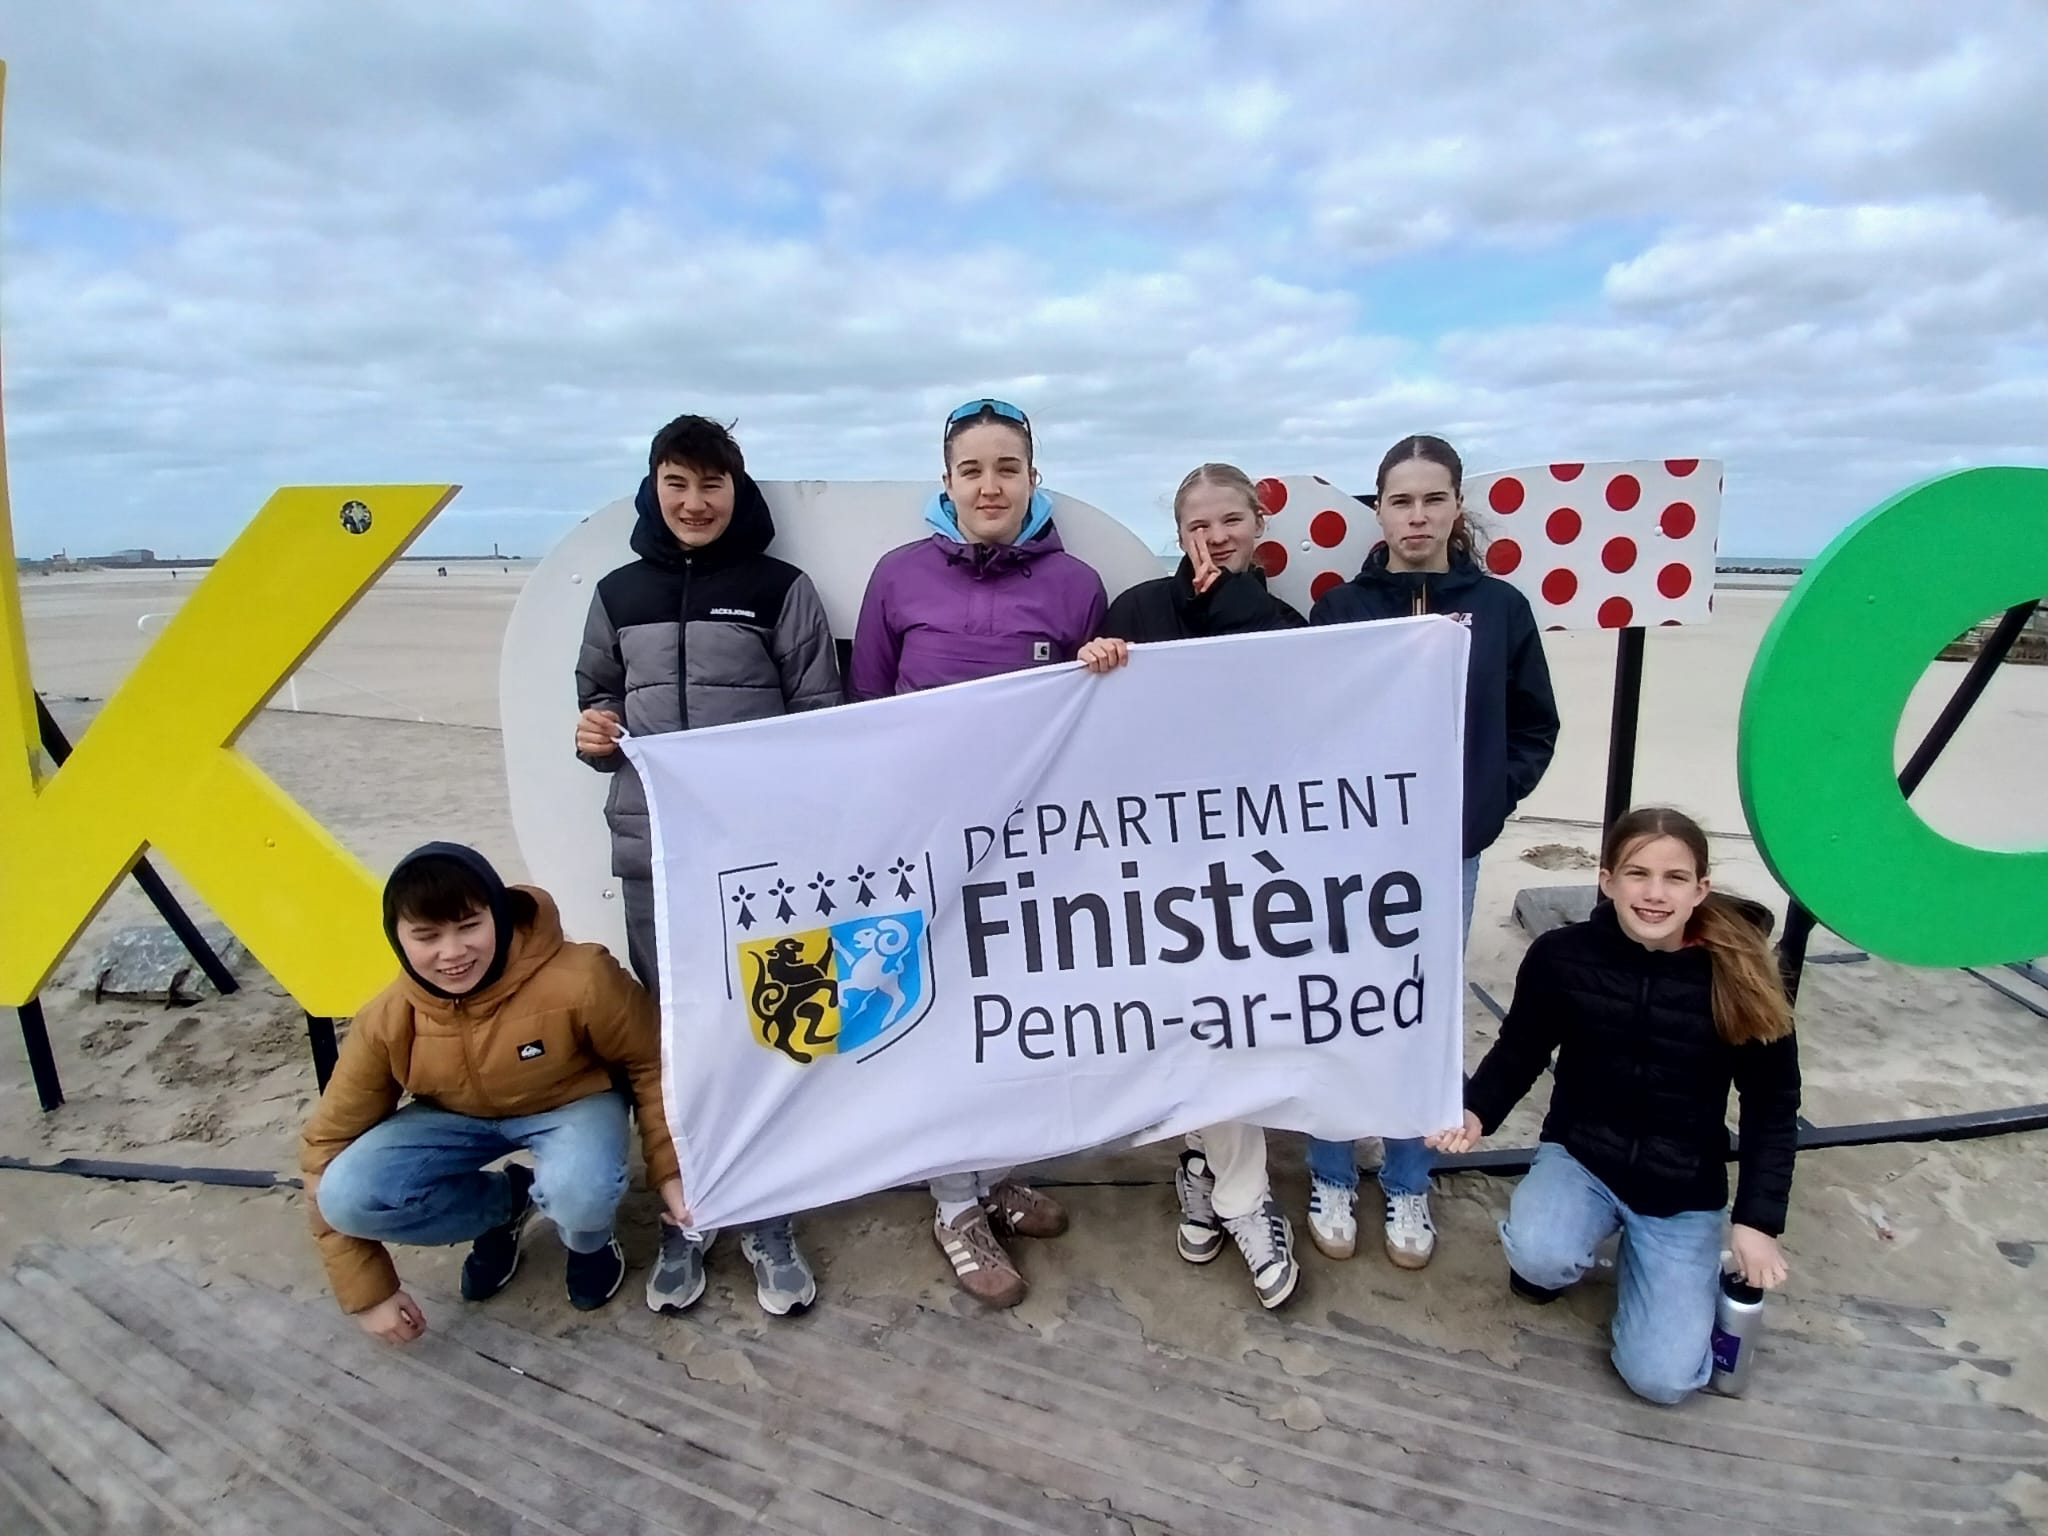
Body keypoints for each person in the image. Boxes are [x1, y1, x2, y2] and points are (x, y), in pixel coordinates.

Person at [573, 413, 841, 1318]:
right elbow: (598, 701)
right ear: (653, 488)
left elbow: (820, 717)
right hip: (653, 853)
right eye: (677, 484)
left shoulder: (781, 588)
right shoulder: (617, 594)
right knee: (678, 1037)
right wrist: (594, 736)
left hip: (763, 857)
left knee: (783, 1024)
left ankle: (770, 1211)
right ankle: (688, 1213)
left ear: (737, 490)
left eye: (712, 484)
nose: (694, 502)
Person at [848, 397, 1108, 1308]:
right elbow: (866, 709)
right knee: (937, 1020)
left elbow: (1091, 719)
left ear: (1035, 478)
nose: (990, 486)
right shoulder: (898, 576)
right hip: (924, 845)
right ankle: (954, 1204)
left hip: (1032, 849)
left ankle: (996, 1174)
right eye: (972, 470)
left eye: (1008, 468)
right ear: (947, 482)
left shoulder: (1076, 584)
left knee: (1014, 1016)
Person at [1428, 806, 1799, 1404]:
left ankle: (1654, 1266)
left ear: (1700, 888)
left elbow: (1771, 1108)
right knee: (1539, 1255)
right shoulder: (1560, 956)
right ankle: (1578, 1250)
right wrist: (1475, 1112)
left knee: (1664, 1380)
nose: (1654, 894)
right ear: (1607, 881)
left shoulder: (1742, 974)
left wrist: (1757, 1223)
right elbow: (1521, 1048)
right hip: (1582, 1156)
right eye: (1637, 874)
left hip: (1681, 1188)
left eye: (1675, 878)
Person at [1305, 434, 1560, 1270]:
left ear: (1456, 507)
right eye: (1401, 501)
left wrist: (1487, 798)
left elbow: (1534, 724)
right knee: (1337, 1003)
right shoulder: (1341, 608)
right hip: (1349, 851)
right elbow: (1309, 727)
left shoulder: (1502, 608)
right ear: (1378, 510)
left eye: (1432, 499)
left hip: (1448, 852)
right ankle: (1332, 1170)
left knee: (1422, 1008)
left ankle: (1409, 1176)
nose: (1417, 516)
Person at [302, 844, 685, 1343]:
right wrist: (369, 1291)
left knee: (580, 1190)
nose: (452, 952)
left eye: (469, 926)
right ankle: (506, 1205)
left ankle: (590, 1244)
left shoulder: (582, 978)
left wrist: (671, 1171)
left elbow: (651, 1061)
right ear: (397, 938)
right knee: (346, 1194)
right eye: (427, 936)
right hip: (455, 1116)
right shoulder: (388, 1019)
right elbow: (325, 1148)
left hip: (570, 1101)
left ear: (498, 915)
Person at [1094, 463, 1306, 1308]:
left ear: (1258, 524)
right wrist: (1096, 660)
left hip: (1252, 856)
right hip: (1154, 857)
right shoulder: (1139, 608)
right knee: (1180, 1020)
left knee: (1234, 1020)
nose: (1216, 538)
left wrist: (1235, 604)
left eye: (1231, 521)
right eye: (1198, 525)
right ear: (1179, 533)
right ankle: (1217, 1175)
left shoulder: (1285, 622)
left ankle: (1230, 1189)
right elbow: (1095, 722)